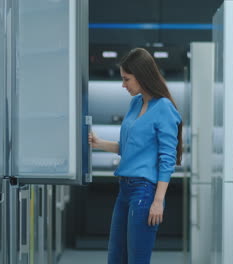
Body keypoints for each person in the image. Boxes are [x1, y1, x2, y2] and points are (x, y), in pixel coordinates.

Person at [88, 48, 183, 264]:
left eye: (126, 79)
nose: (123, 85)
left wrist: (158, 201)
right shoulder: (136, 103)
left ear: (141, 76)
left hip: (145, 193)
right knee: (115, 258)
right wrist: (99, 142)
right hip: (125, 190)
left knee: (137, 260)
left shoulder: (164, 108)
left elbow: (167, 159)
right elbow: (129, 148)